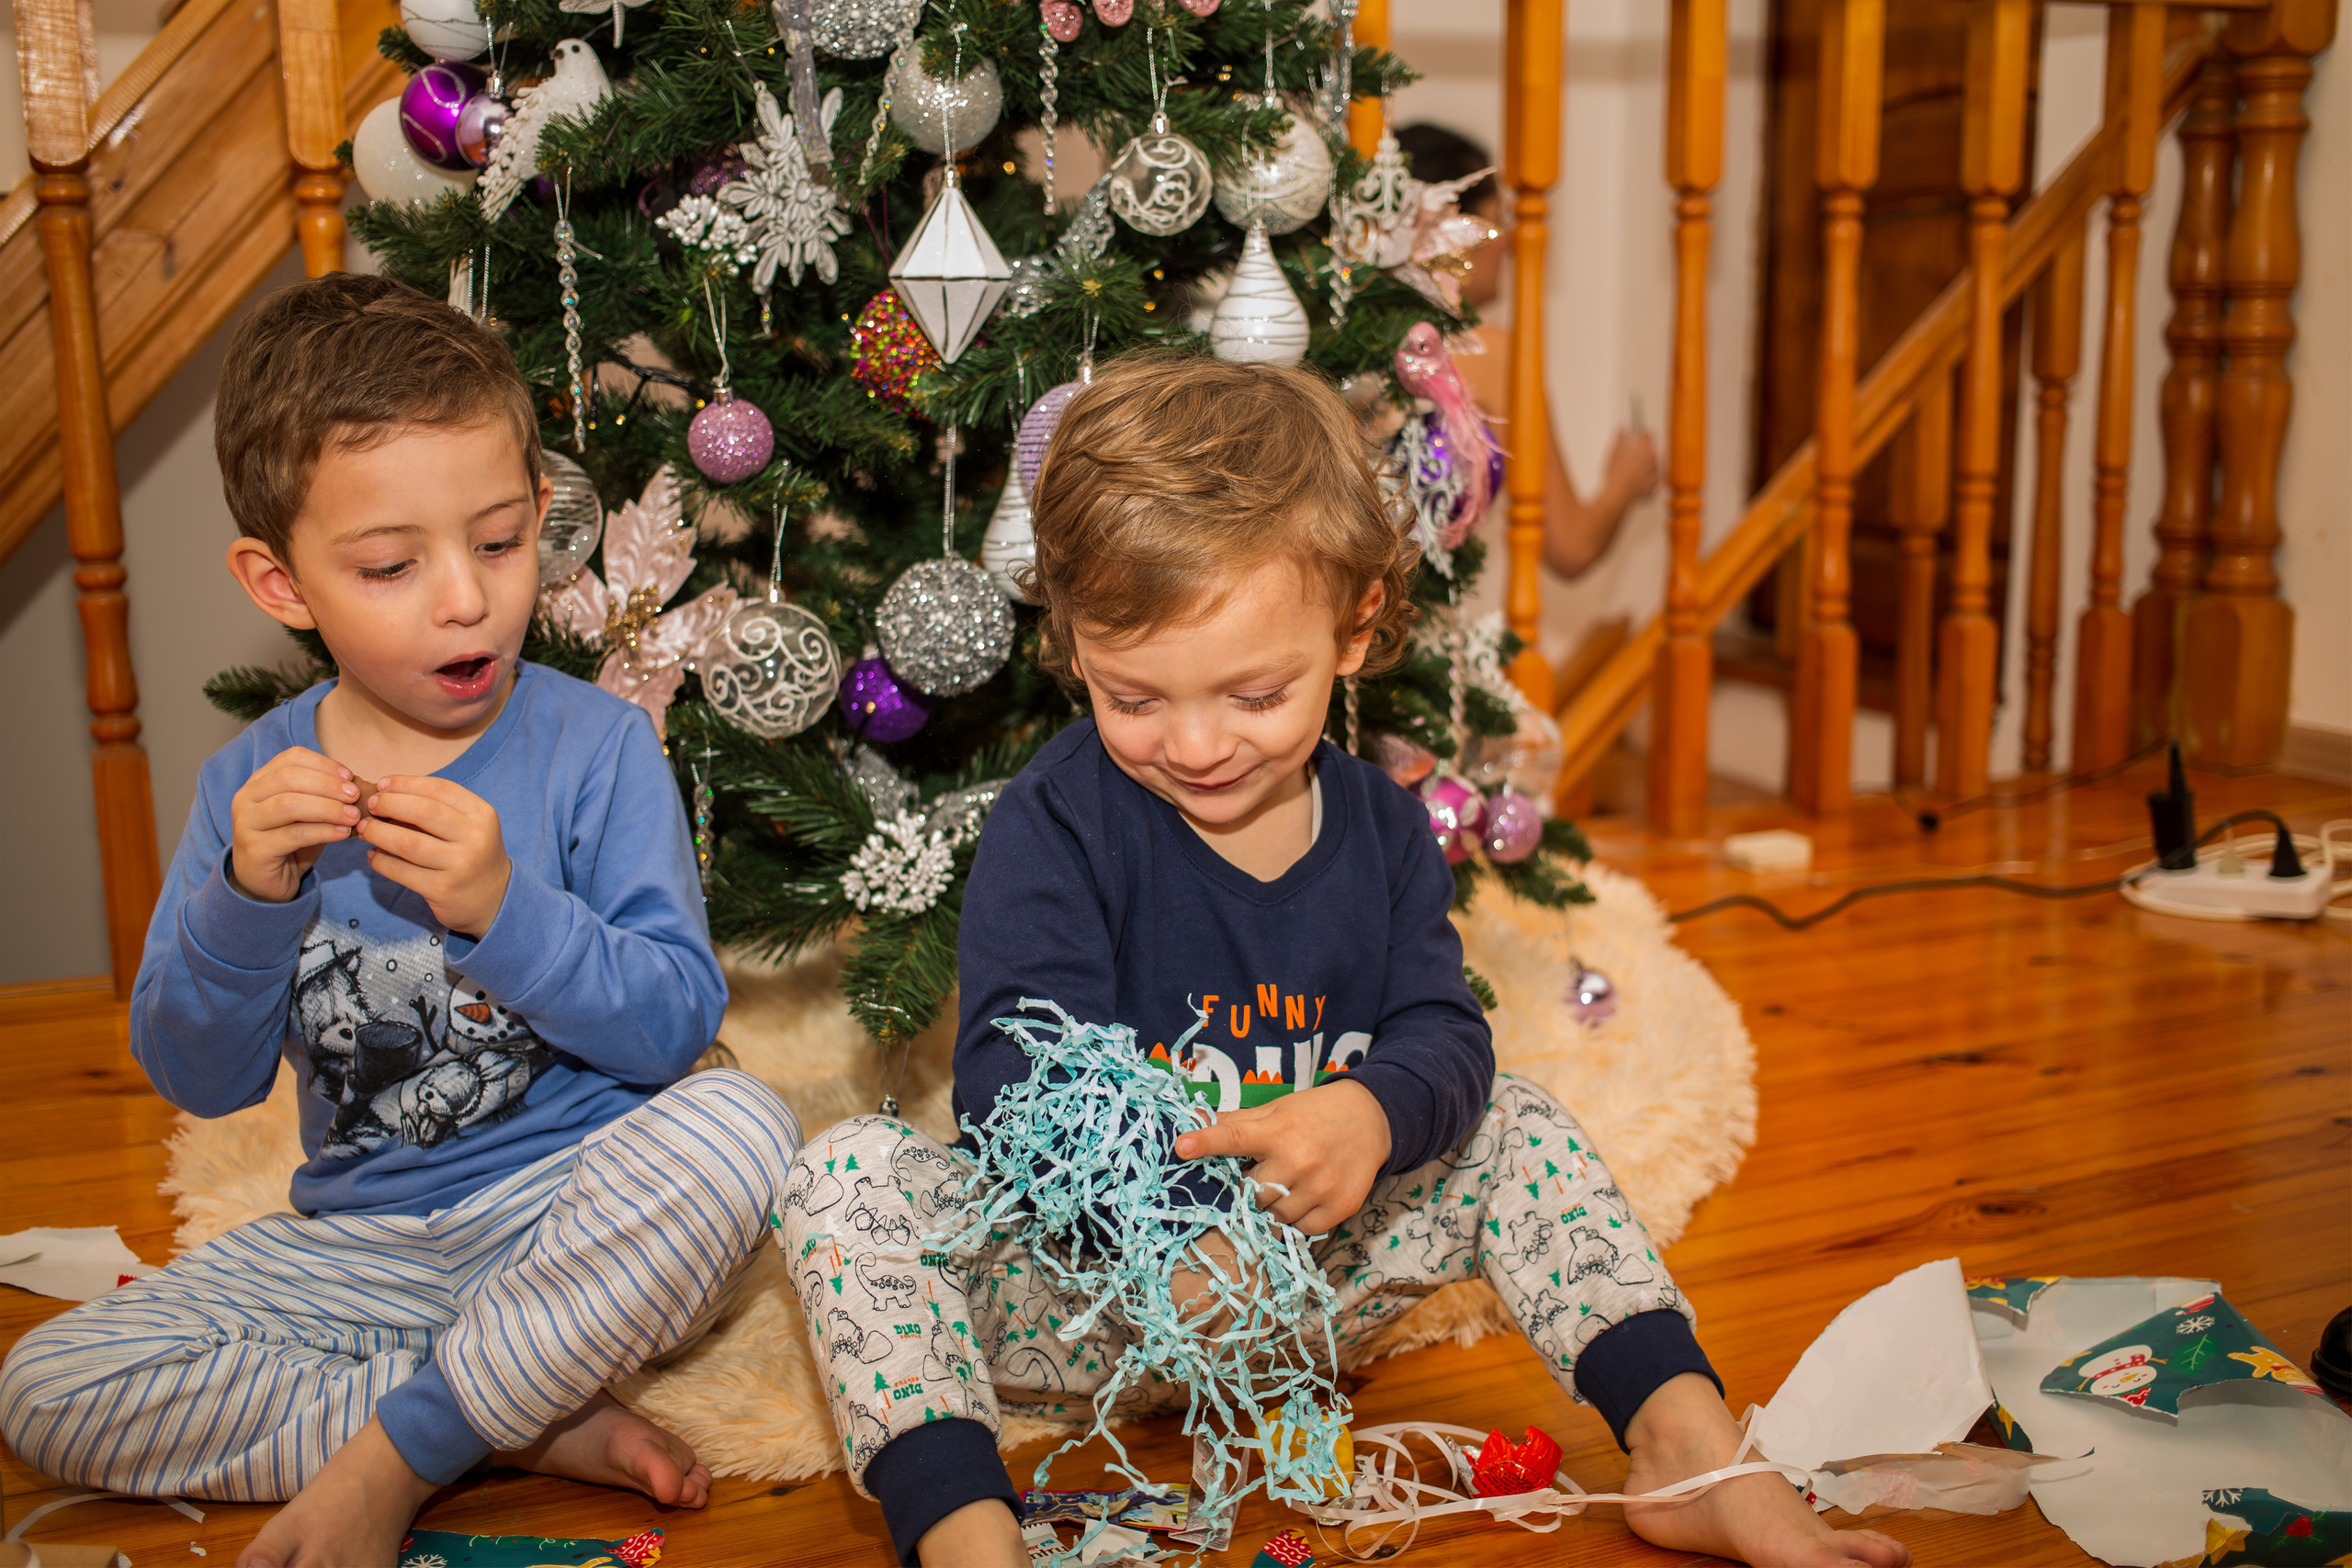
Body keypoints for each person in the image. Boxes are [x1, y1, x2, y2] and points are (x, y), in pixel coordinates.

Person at [781, 355, 1906, 1568]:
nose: (1198, 743)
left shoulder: (1378, 829)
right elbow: (1016, 1078)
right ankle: (964, 1538)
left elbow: (1444, 1031)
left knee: (1515, 1122)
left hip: (1310, 1287)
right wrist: (1164, 1219)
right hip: (1082, 1304)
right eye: (1134, 696)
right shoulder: (1059, 819)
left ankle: (1689, 1444)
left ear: (1357, 626)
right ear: (1072, 643)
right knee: (849, 1174)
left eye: (1256, 693)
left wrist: (1373, 1112)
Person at [0, 275, 802, 1568]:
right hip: (364, 1247)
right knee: (49, 1385)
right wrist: (246, 899)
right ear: (281, 581)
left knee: (747, 1128)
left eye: (497, 542)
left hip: (579, 1221)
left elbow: (669, 1025)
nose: (463, 598)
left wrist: (504, 909)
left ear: (545, 514)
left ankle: (407, 1445)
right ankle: (513, 1409)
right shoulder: (245, 789)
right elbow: (199, 1078)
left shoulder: (596, 745)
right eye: (389, 564)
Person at [1396, 120, 1659, 580]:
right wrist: (1623, 484)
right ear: (1454, 231)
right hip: (1417, 630)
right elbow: (1570, 546)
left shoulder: (1342, 336)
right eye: (1497, 221)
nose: (1512, 245)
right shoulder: (1491, 354)